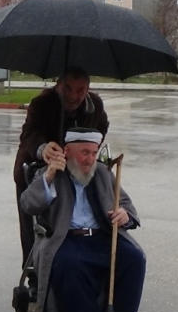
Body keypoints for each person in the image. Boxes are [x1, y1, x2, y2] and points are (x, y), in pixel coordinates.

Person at [20, 127, 145, 312]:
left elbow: (127, 204)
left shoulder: (103, 173)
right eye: (84, 153)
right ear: (67, 151)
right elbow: (28, 204)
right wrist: (48, 176)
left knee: (135, 258)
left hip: (101, 236)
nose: (89, 159)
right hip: (65, 238)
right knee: (67, 266)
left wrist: (125, 214)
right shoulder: (52, 173)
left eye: (93, 153)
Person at [13, 66, 109, 290]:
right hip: (36, 170)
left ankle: (77, 267)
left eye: (80, 90)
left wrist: (89, 149)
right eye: (68, 88)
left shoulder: (95, 105)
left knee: (76, 220)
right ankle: (36, 276)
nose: (73, 95)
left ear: (88, 90)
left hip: (76, 174)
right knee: (35, 226)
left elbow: (102, 127)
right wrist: (44, 148)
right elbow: (29, 133)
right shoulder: (42, 104)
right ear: (58, 85)